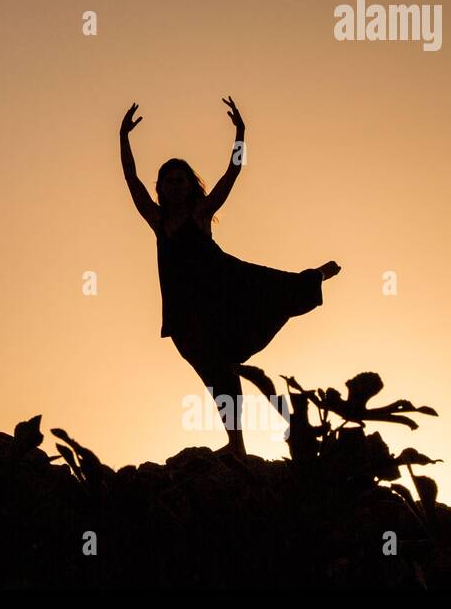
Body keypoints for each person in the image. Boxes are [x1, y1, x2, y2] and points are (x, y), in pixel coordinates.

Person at [119, 96, 340, 458]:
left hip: (224, 293)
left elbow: (231, 175)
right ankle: (236, 444)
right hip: (184, 313)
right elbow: (130, 179)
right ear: (159, 188)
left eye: (180, 180)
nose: (174, 186)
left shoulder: (201, 214)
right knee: (215, 376)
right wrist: (123, 137)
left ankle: (314, 276)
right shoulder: (157, 221)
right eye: (167, 181)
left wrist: (240, 134)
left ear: (190, 185)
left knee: (276, 288)